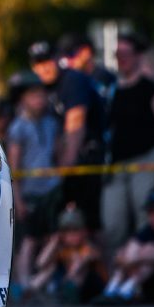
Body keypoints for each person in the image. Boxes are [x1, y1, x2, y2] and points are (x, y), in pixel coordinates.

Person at [101, 32, 154, 254]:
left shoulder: (151, 89)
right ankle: (119, 269)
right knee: (112, 223)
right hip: (117, 164)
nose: (121, 59)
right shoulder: (112, 90)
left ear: (138, 56)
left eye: (126, 53)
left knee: (145, 216)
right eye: (118, 54)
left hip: (146, 159)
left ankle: (143, 266)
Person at [29, 40, 107, 233]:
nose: (44, 67)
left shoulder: (73, 80)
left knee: (89, 224)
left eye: (48, 60)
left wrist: (64, 170)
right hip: (61, 164)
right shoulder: (41, 89)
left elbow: (75, 126)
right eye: (39, 63)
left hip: (86, 159)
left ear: (57, 59)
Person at [6, 72, 61, 297]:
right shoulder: (18, 127)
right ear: (23, 99)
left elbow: (57, 153)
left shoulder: (51, 123)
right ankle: (24, 283)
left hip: (51, 189)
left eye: (42, 95)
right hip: (29, 192)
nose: (40, 100)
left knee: (53, 236)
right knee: (28, 239)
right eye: (34, 95)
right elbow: (14, 166)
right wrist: (18, 199)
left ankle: (42, 280)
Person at [29, 206, 107, 304]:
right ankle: (30, 292)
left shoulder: (88, 247)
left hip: (91, 288)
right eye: (67, 231)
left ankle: (62, 293)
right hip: (67, 284)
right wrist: (53, 243)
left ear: (84, 232)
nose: (71, 235)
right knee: (51, 266)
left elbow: (79, 266)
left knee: (78, 262)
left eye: (75, 230)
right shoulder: (62, 248)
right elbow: (40, 263)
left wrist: (64, 282)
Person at [58, 33, 117, 102]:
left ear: (87, 51)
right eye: (66, 56)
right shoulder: (66, 79)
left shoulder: (104, 78)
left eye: (72, 54)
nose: (69, 60)